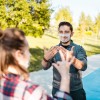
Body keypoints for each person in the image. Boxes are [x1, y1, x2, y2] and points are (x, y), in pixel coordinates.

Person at [0, 28, 73, 100]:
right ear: (18, 54)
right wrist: (65, 76)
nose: (30, 55)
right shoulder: (31, 91)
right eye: (27, 50)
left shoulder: (2, 81)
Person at [42, 21, 87, 100]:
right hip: (58, 89)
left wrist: (72, 59)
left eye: (66, 32)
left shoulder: (79, 48)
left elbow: (83, 66)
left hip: (76, 90)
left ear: (71, 34)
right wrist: (45, 59)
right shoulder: (54, 49)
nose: (63, 34)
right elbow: (45, 67)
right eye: (61, 32)